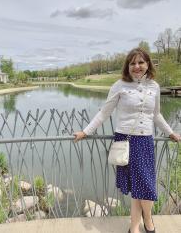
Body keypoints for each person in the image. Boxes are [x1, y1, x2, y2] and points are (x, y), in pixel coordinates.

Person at [73, 48, 181, 233]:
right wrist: (85, 131)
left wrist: (171, 133)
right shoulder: (119, 85)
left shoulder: (154, 86)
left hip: (145, 141)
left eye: (141, 62)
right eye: (132, 63)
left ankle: (139, 224)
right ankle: (144, 224)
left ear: (148, 64)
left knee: (144, 185)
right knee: (141, 186)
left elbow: (156, 115)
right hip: (126, 141)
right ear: (127, 66)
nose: (137, 66)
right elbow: (104, 113)